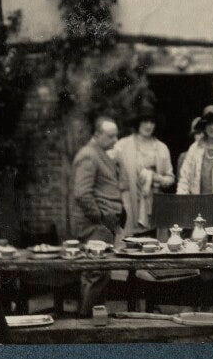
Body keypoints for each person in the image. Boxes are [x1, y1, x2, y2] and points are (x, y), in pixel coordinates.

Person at [70, 116, 125, 317]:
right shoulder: (89, 155)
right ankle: (84, 328)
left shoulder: (100, 153)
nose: (115, 140)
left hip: (102, 227)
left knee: (99, 275)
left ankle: (95, 326)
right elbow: (82, 193)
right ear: (97, 134)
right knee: (94, 275)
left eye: (116, 136)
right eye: (110, 136)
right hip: (94, 226)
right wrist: (101, 217)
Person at [112, 106, 175, 239]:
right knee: (128, 243)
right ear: (138, 123)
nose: (148, 126)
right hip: (129, 202)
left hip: (154, 204)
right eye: (145, 121)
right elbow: (109, 170)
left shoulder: (162, 148)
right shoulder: (122, 145)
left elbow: (170, 179)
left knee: (154, 244)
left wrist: (156, 177)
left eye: (152, 122)